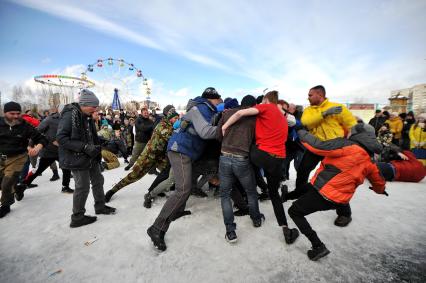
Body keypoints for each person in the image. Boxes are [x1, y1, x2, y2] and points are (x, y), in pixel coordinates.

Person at [288, 123, 387, 261]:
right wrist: (380, 190)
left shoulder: (346, 146)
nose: (348, 133)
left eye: (350, 131)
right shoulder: (370, 159)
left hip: (324, 193)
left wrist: (300, 131)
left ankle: (318, 246)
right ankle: (286, 196)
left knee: (294, 211)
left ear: (357, 134)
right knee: (308, 187)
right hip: (340, 199)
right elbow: (378, 181)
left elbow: (317, 146)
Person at [221, 90, 300, 245]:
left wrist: (225, 126)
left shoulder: (267, 107)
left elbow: (240, 114)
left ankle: (239, 211)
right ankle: (286, 229)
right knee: (274, 194)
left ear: (266, 100)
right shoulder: (283, 119)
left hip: (261, 155)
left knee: (244, 158)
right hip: (278, 161)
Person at [147, 87, 221, 251]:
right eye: (219, 99)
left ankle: (177, 210)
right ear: (212, 99)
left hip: (187, 151)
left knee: (188, 184)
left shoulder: (206, 109)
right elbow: (205, 132)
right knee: (182, 189)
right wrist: (225, 128)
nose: (220, 102)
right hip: (181, 149)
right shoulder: (200, 108)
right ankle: (156, 228)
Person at [289, 85, 357, 226]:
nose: (308, 97)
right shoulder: (308, 110)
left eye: (310, 95)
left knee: (337, 180)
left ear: (320, 95)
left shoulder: (339, 107)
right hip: (315, 147)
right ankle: (300, 195)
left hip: (335, 149)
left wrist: (350, 140)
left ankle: (345, 213)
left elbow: (352, 125)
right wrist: (324, 114)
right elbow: (307, 123)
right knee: (302, 170)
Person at [57, 89, 116, 228]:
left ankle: (100, 206)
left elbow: (91, 135)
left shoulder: (87, 115)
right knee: (82, 187)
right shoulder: (70, 115)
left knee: (98, 180)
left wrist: (100, 144)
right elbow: (61, 138)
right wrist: (84, 147)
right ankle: (77, 217)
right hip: (76, 157)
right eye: (94, 107)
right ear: (84, 104)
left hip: (91, 156)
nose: (96, 109)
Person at [104, 105, 179, 202]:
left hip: (159, 156)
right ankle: (112, 191)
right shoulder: (163, 125)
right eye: (175, 118)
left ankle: (156, 190)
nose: (177, 120)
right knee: (134, 176)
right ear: (169, 117)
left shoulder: (170, 125)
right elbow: (172, 137)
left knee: (168, 173)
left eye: (178, 118)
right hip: (148, 156)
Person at [216, 95, 264, 242]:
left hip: (224, 157)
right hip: (242, 159)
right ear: (253, 105)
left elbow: (218, 136)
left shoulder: (226, 113)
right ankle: (256, 219)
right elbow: (258, 140)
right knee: (250, 191)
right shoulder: (255, 118)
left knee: (225, 194)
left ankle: (230, 231)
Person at [0, 102, 48, 218]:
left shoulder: (24, 125)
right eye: (12, 113)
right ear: (4, 113)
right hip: (1, 157)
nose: (16, 116)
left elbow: (42, 138)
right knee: (3, 183)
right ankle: (17, 187)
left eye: (18, 113)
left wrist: (37, 147)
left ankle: (5, 205)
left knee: (7, 182)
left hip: (18, 157)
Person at [20, 105, 73, 194]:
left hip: (62, 151)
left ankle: (65, 187)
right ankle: (23, 186)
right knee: (38, 170)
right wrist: (31, 146)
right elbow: (37, 132)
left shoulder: (70, 121)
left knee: (66, 168)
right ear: (61, 111)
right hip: (48, 151)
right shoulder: (49, 119)